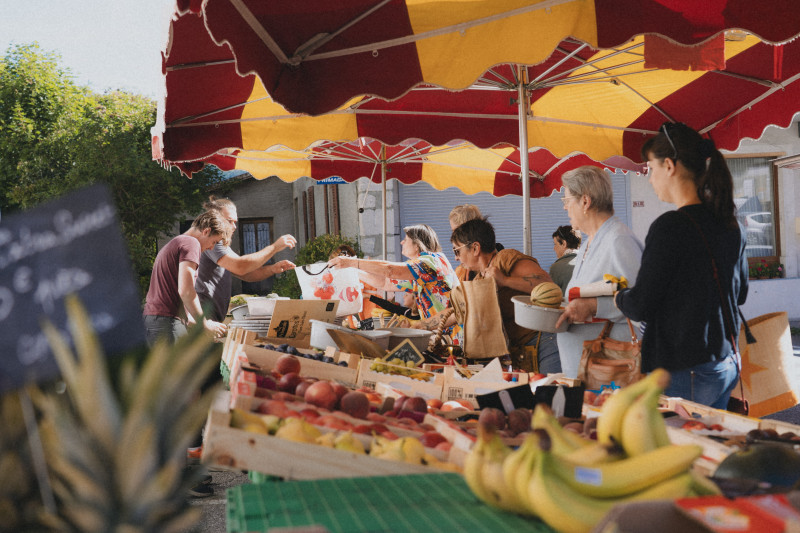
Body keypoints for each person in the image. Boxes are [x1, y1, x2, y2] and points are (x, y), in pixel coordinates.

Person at [614, 123, 748, 408]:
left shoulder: (670, 227)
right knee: (713, 443)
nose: (649, 178)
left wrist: (619, 297)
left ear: (670, 166)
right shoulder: (730, 223)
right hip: (726, 360)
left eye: (650, 168)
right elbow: (742, 293)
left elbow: (640, 305)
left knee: (684, 446)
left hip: (685, 368)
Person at [553, 166, 644, 378]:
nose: (565, 208)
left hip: (610, 371)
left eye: (567, 201)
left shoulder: (619, 240)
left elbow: (641, 302)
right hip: (585, 369)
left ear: (585, 202)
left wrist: (594, 306)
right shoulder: (589, 242)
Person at [451, 218, 561, 373]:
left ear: (475, 248)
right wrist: (421, 326)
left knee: (550, 393)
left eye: (457, 251)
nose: (456, 258)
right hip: (522, 351)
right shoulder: (479, 280)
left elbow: (547, 285)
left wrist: (505, 280)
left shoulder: (505, 258)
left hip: (544, 342)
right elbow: (459, 312)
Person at [329, 224, 458, 336]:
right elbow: (385, 282)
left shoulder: (431, 261)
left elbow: (390, 270)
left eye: (405, 239)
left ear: (417, 245)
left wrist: (352, 262)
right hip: (443, 333)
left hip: (455, 335)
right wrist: (353, 271)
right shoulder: (418, 271)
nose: (402, 242)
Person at [196, 196, 296, 322]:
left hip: (211, 317)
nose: (234, 226)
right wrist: (275, 247)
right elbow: (240, 267)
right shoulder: (214, 242)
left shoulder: (221, 243)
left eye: (235, 222)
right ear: (214, 220)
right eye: (229, 221)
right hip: (202, 318)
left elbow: (246, 274)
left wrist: (272, 269)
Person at [143, 210, 231, 346]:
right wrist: (204, 323)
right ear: (206, 231)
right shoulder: (191, 243)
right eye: (214, 242)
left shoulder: (177, 243)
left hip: (156, 322)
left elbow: (175, 298)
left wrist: (203, 324)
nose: (211, 248)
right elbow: (186, 291)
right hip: (166, 324)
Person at [549, 225, 581, 294]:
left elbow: (551, 295)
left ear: (564, 243)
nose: (554, 248)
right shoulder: (588, 261)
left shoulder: (557, 267)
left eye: (555, 244)